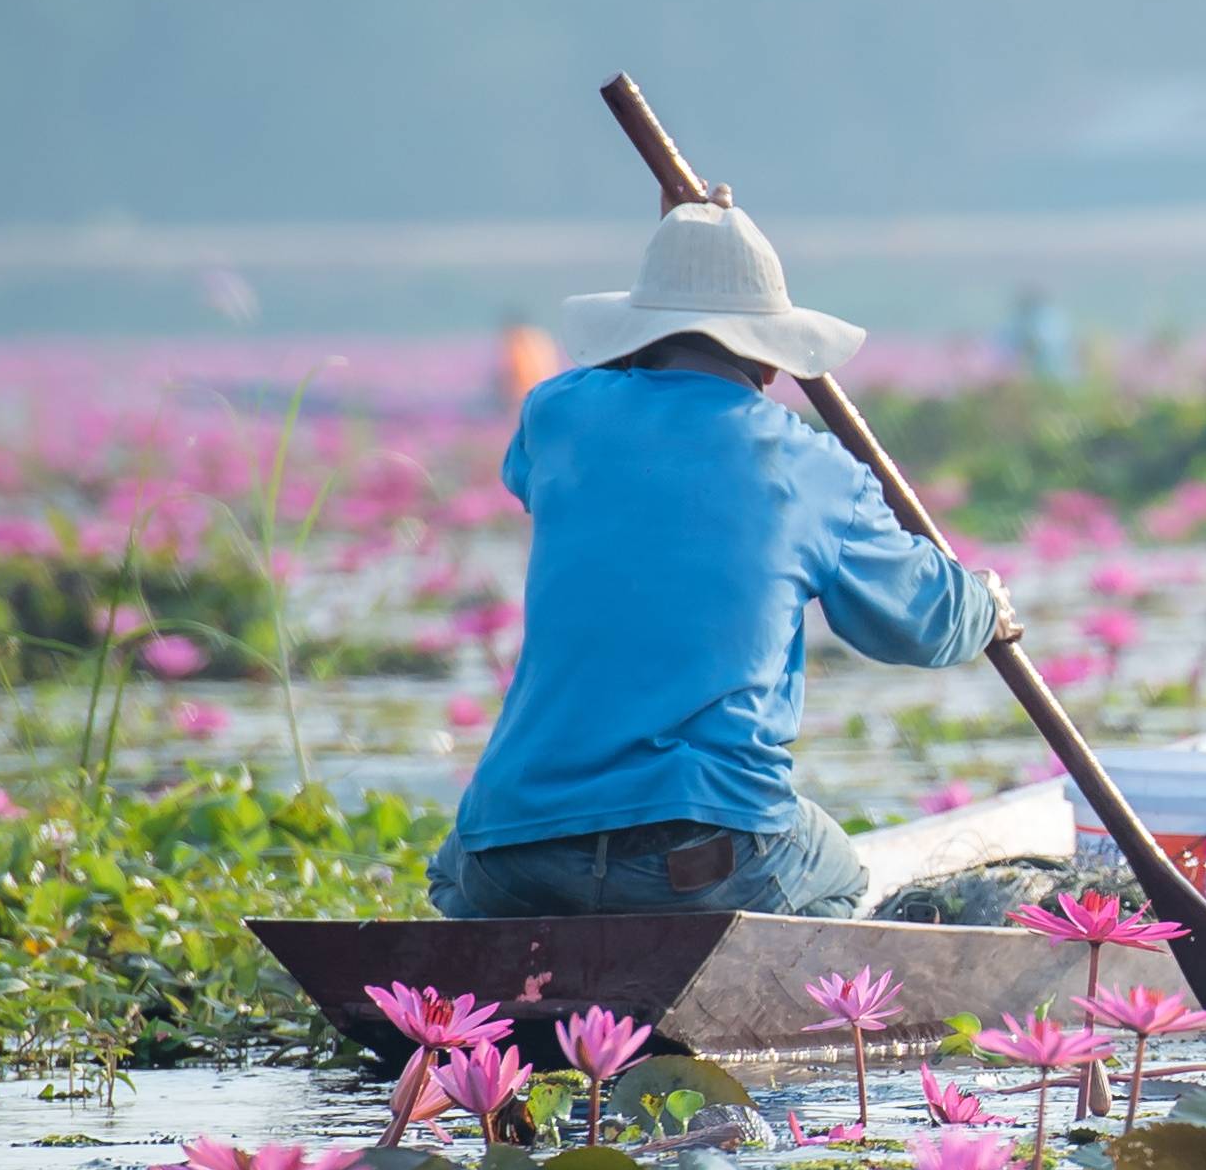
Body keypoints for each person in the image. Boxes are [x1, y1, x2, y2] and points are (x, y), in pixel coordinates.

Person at [426, 201, 1009, 919]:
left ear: (639, 335)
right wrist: (983, 604)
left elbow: (537, 467)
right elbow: (920, 626)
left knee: (451, 877)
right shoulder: (815, 466)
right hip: (705, 853)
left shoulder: (557, 414)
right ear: (770, 354)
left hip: (514, 855)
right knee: (834, 879)